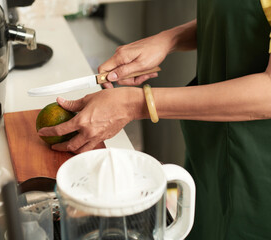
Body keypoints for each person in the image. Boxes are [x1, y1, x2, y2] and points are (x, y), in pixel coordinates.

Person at [38, 1, 271, 239]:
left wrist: (136, 103)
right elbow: (239, 17)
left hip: (255, 168)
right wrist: (169, 39)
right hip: (211, 146)